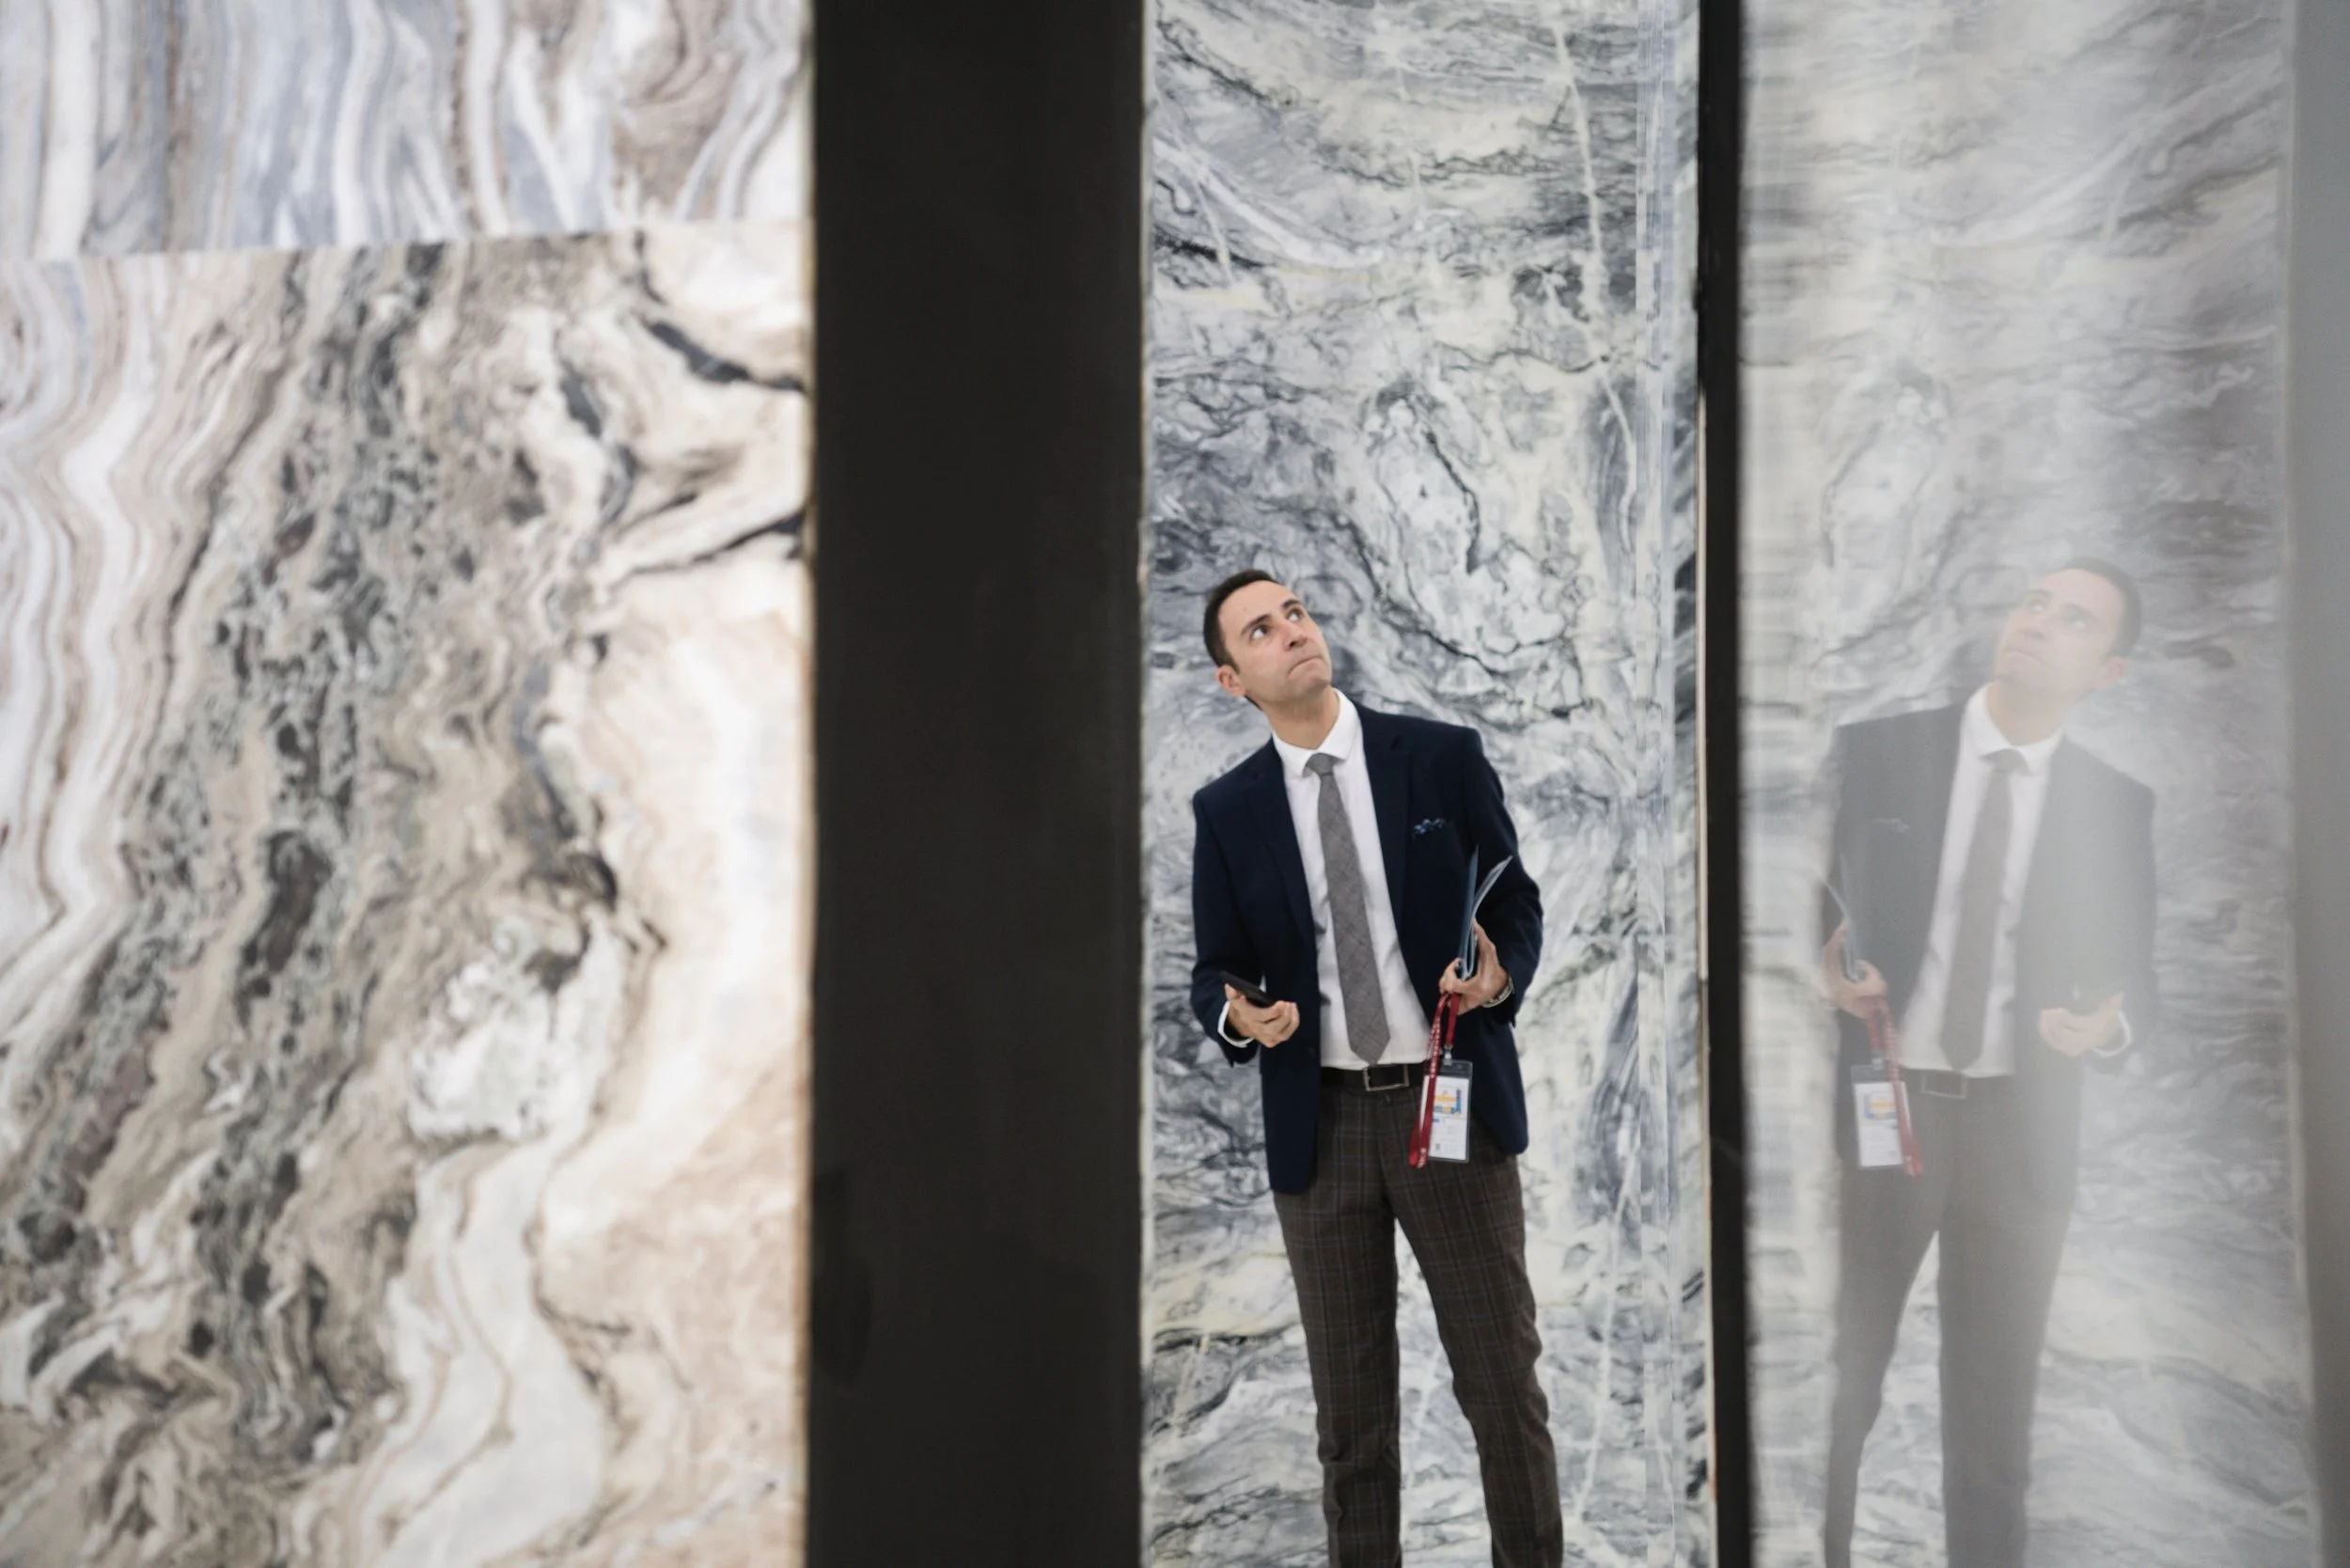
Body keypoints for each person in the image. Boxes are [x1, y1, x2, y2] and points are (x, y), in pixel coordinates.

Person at [1187, 570, 1564, 1568]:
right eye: (1260, 632)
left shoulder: (1436, 759)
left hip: (1451, 1110)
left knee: (1501, 1394)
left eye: (1295, 613)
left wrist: (1496, 979)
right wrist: (1236, 1014)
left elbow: (1515, 904)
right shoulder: (1225, 812)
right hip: (1321, 1134)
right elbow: (1211, 969)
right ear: (1234, 680)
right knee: (1351, 1427)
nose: (1291, 634)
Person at [1816, 559, 2159, 1568]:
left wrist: (2107, 1028)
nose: (2039, 624)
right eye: (2033, 603)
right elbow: (1807, 898)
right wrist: (1823, 969)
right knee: (1842, 1394)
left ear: (2109, 670)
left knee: (1992, 1431)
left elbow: (2138, 985)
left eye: (2074, 619)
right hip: (1891, 1108)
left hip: (2024, 1135)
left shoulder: (2114, 803)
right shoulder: (1879, 753)